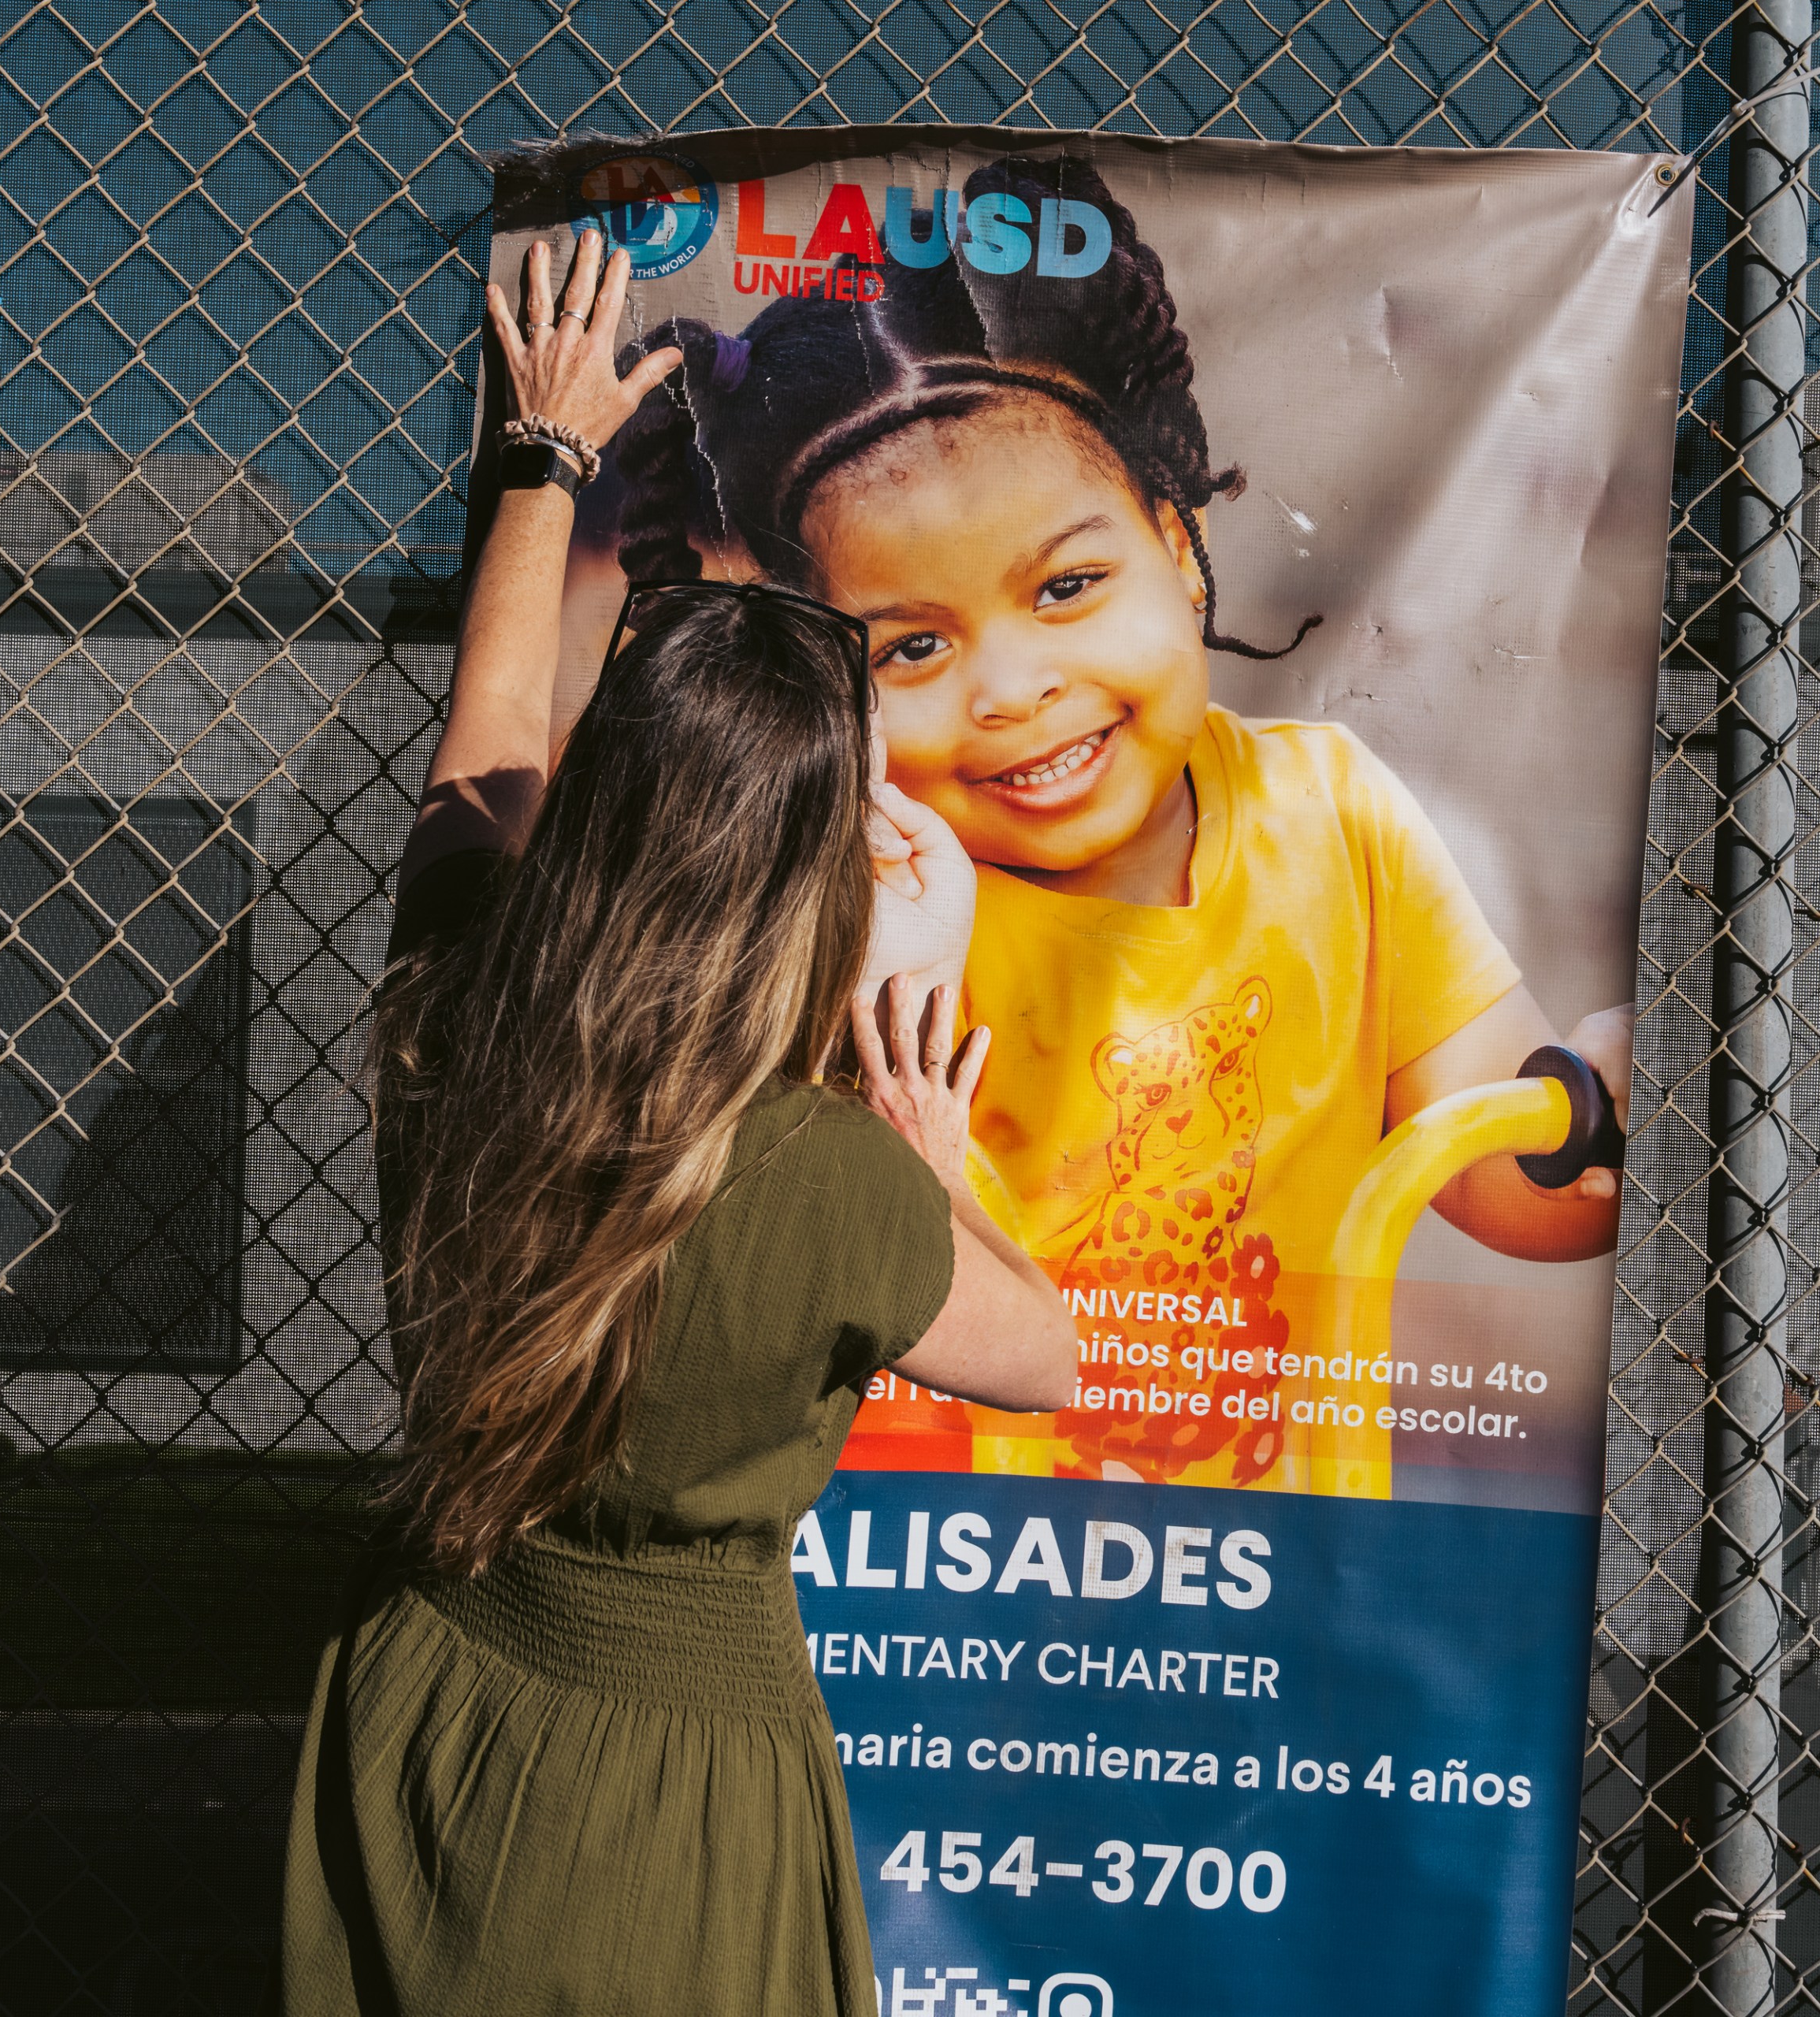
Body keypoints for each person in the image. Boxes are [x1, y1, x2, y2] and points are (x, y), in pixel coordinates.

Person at [279, 225, 1076, 2017]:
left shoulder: (457, 1001)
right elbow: (1047, 1358)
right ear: (804, 875)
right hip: (674, 1786)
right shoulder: (836, 1181)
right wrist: (936, 1176)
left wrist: (544, 451)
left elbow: (488, 730)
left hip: (426, 1692)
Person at [602, 158, 1627, 1488]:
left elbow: (1501, 1178)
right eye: (911, 650)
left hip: (1273, 1528)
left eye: (1070, 584)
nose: (1017, 687)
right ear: (835, 689)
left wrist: (1589, 1114)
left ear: (1181, 545)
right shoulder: (865, 884)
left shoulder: (1329, 807)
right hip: (940, 1530)